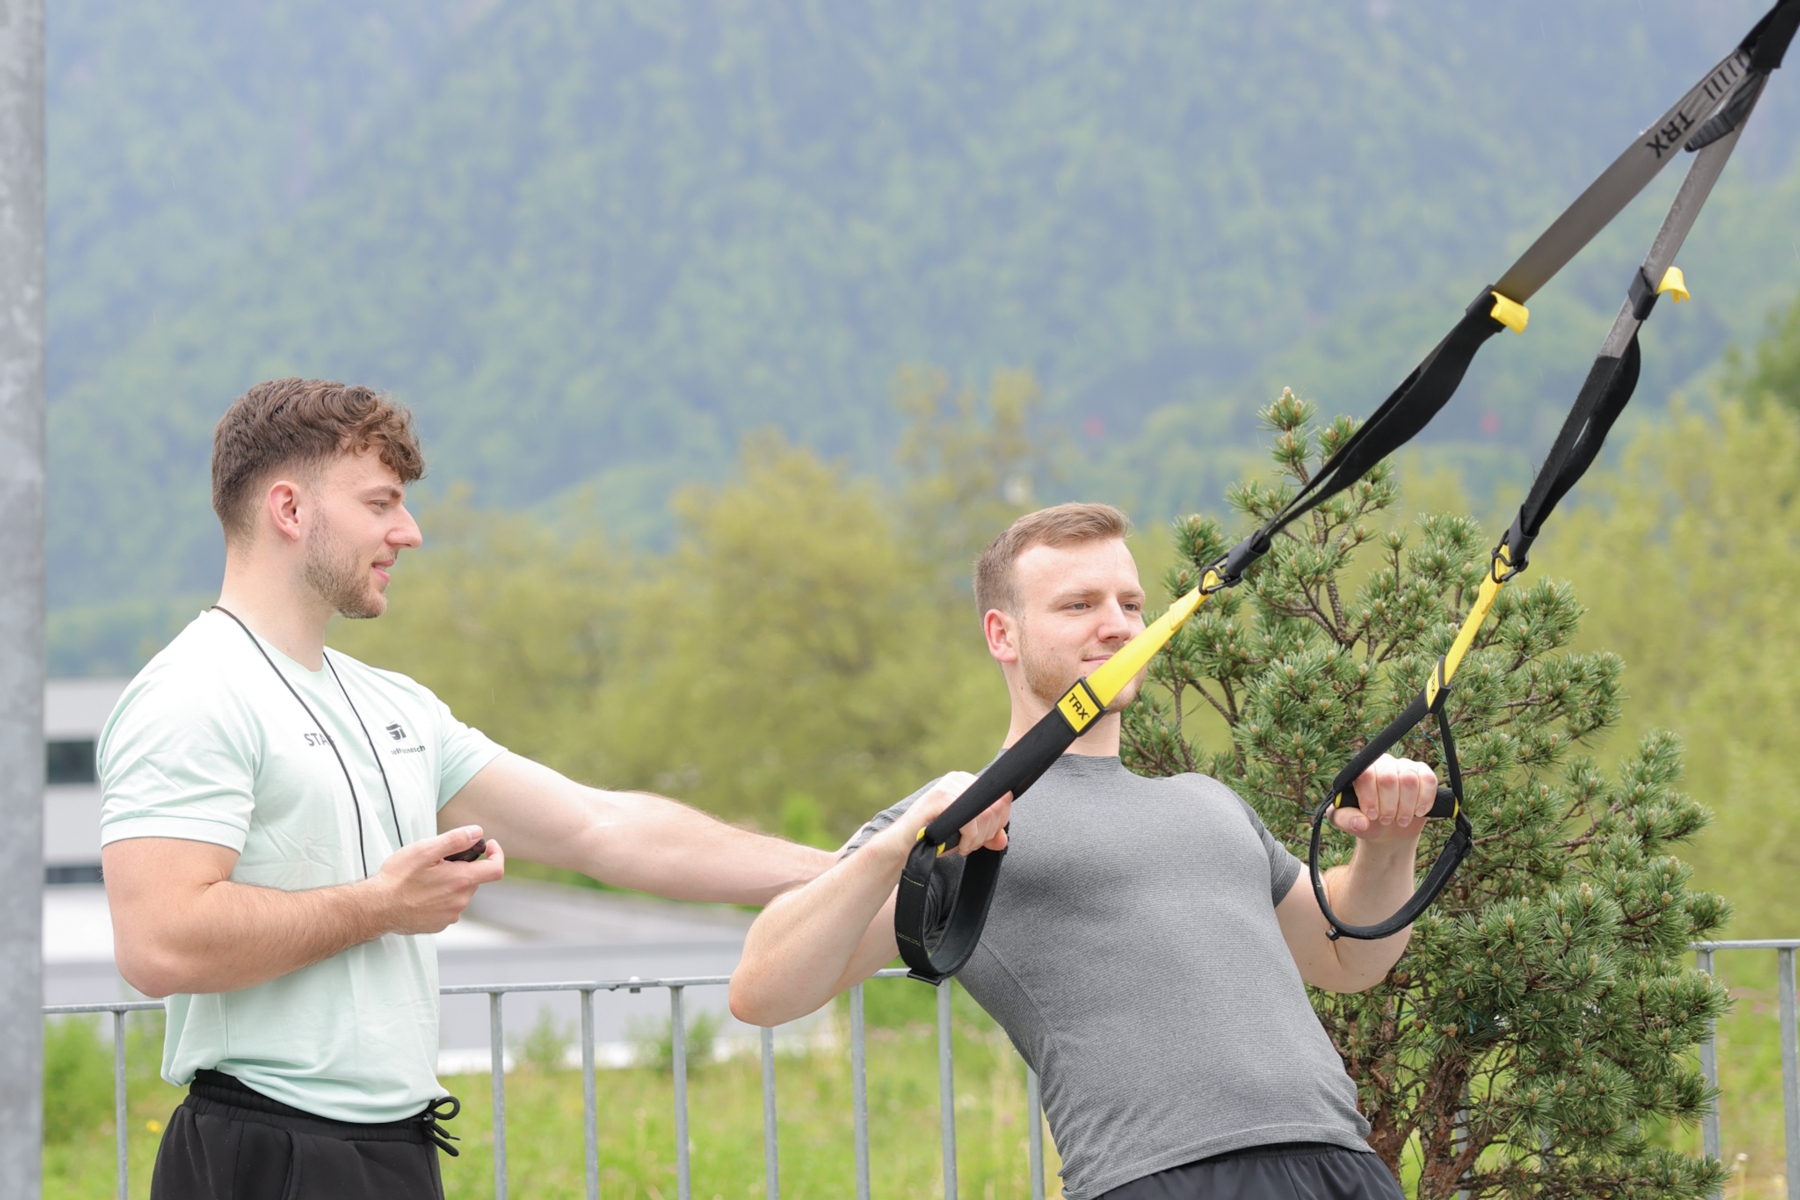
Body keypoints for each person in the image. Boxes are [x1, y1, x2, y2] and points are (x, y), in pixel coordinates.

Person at [99, 378, 836, 1200]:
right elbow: (158, 943)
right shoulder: (193, 692)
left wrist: (853, 867)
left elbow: (601, 827)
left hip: (396, 1149)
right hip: (262, 1153)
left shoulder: (397, 706)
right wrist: (381, 905)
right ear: (289, 509)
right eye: (380, 503)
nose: (407, 533)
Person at [730, 502, 1445, 1200]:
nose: (1117, 626)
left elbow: (1350, 958)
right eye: (1079, 606)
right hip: (1160, 1177)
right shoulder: (963, 814)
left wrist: (1388, 846)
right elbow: (763, 989)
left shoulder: (1207, 802)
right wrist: (898, 845)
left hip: (1342, 1165)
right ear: (1002, 635)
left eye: (1130, 605)